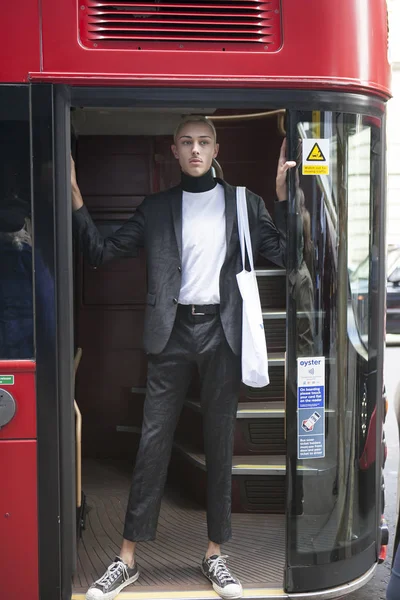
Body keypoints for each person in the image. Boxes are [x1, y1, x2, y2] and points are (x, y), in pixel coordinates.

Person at [71, 116, 296, 600]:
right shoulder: (156, 208)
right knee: (152, 444)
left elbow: (285, 255)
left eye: (204, 142)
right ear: (173, 150)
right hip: (170, 335)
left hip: (222, 331)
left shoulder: (243, 203)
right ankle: (126, 559)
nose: (195, 150)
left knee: (219, 445)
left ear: (217, 148)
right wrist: (74, 197)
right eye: (187, 142)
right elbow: (101, 252)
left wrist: (283, 197)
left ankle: (216, 554)